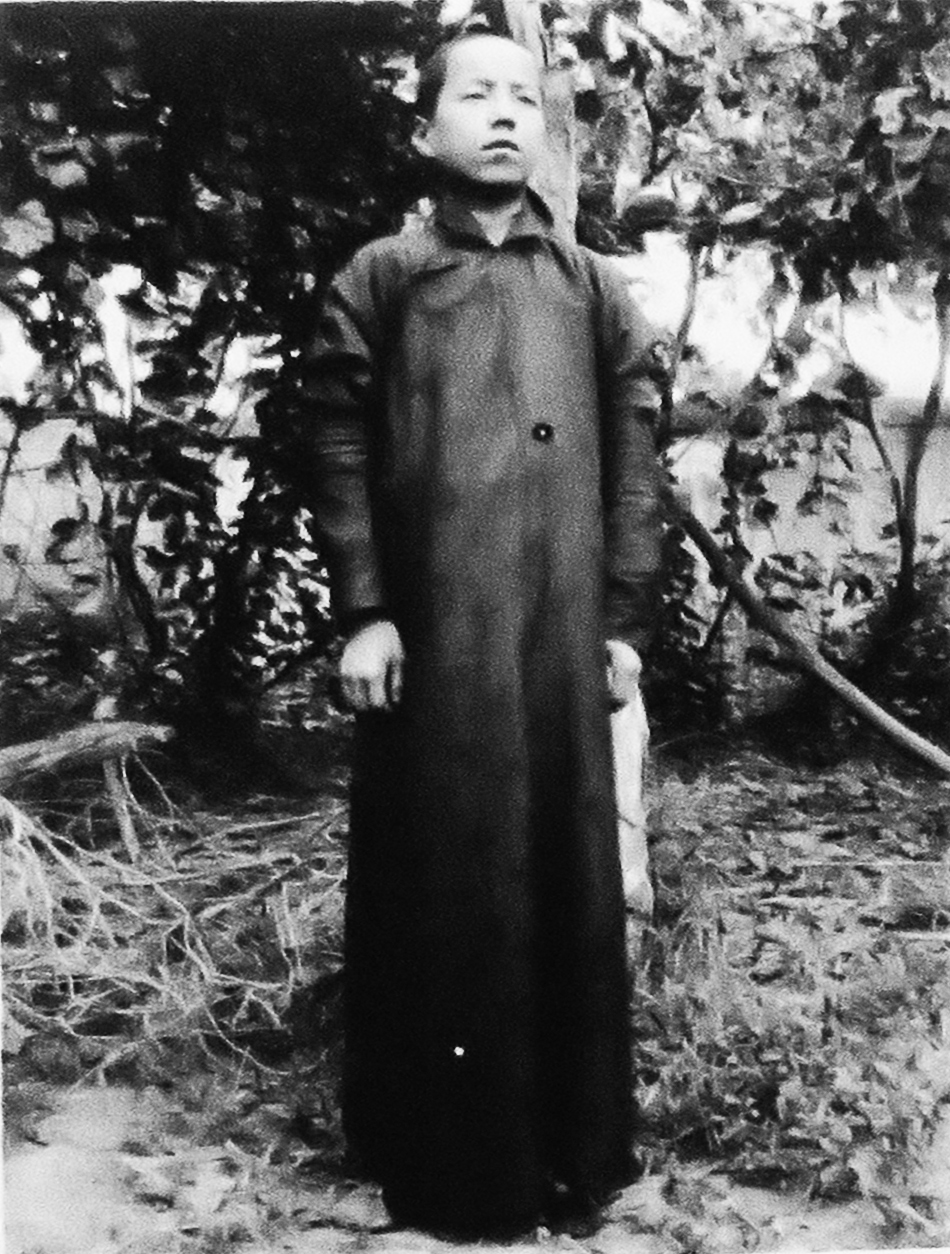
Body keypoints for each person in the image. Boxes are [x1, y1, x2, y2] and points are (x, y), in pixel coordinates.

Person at [291, 30, 665, 1239]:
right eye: (475, 95)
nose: (504, 114)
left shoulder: (590, 288)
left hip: (559, 636)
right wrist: (364, 611)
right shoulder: (383, 278)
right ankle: (445, 1166)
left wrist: (620, 622)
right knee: (445, 872)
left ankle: (573, 1151)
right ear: (425, 131)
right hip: (435, 639)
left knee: (560, 870)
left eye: (523, 98)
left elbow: (636, 463)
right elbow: (334, 443)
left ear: (545, 133)